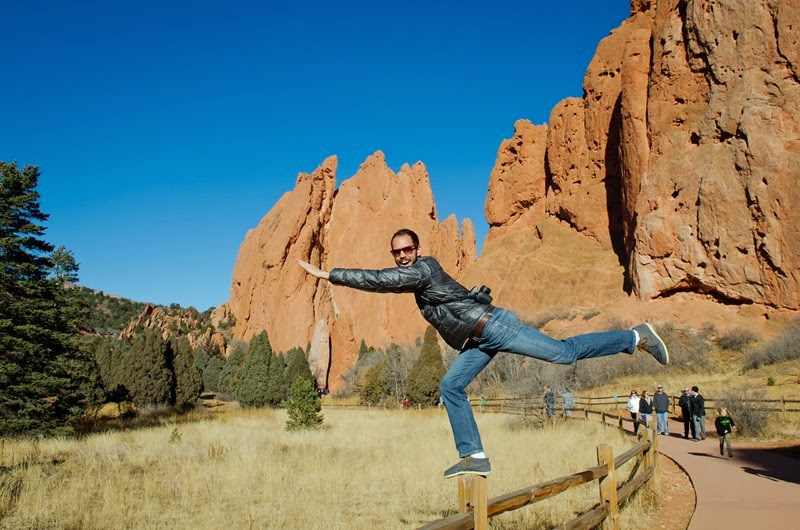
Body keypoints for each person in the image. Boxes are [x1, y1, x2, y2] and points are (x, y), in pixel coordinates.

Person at [296, 228, 669, 478]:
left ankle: (634, 338)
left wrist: (330, 274)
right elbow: (451, 298)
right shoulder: (419, 277)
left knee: (563, 353)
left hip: (494, 327)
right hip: (478, 340)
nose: (402, 256)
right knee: (450, 386)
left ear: (418, 250)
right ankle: (474, 456)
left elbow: (381, 281)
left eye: (407, 249)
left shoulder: (422, 269)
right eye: (396, 252)